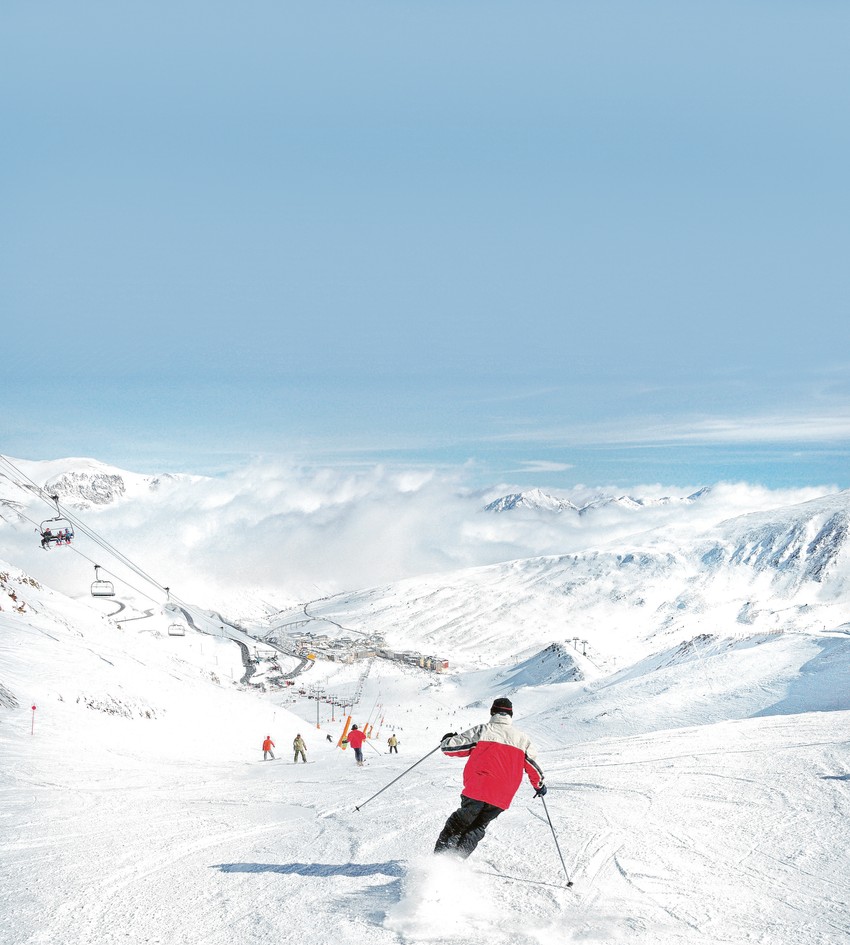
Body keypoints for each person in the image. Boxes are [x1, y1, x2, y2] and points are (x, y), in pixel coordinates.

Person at [434, 697, 546, 859]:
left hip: (478, 788)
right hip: (502, 796)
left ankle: (440, 860)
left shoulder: (483, 730)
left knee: (460, 822)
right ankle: (456, 861)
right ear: (510, 715)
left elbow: (451, 748)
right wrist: (539, 786)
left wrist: (447, 740)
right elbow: (533, 766)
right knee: (478, 827)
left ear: (492, 712)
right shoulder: (523, 739)